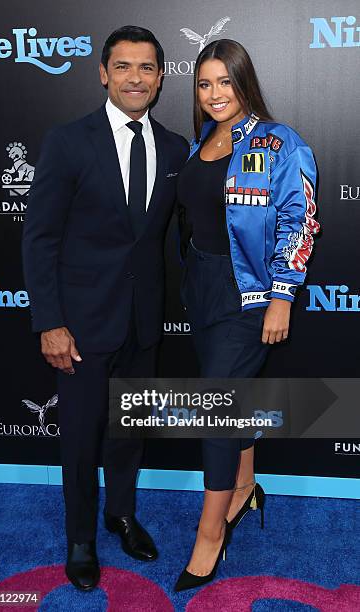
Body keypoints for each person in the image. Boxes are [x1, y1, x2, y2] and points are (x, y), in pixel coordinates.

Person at [22, 25, 189, 591]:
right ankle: (81, 540)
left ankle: (121, 515)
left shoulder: (173, 147)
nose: (135, 78)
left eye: (146, 68)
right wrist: (49, 322)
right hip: (82, 325)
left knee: (128, 432)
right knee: (79, 439)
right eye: (123, 67)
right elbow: (39, 239)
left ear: (161, 78)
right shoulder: (68, 141)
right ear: (102, 73)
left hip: (143, 321)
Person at [175, 39, 320, 591]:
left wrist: (283, 293)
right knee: (233, 400)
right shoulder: (203, 141)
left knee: (215, 407)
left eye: (225, 82)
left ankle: (210, 534)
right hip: (202, 290)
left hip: (252, 295)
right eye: (205, 83)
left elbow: (300, 217)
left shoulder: (278, 142)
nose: (215, 94)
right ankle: (244, 485)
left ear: (244, 82)